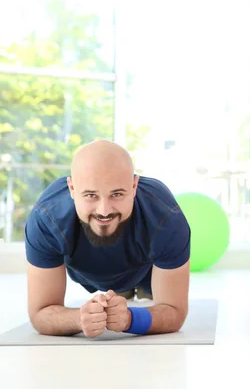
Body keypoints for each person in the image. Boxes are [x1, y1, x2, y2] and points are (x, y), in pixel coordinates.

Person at [24, 140, 191, 338]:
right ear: (72, 189)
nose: (104, 211)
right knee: (117, 296)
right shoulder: (46, 219)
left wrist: (129, 318)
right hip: (88, 272)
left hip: (145, 269)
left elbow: (174, 312)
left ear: (134, 185)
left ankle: (132, 289)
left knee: (148, 295)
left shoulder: (166, 218)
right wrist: (79, 318)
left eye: (117, 194)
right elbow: (40, 313)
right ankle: (122, 291)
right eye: (91, 195)